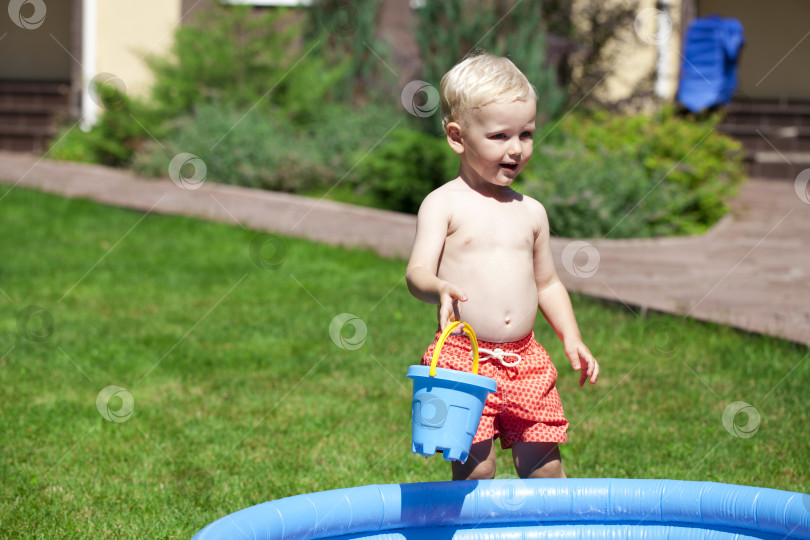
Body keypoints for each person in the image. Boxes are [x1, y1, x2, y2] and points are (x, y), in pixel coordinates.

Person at [405, 52, 600, 481]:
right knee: (476, 473)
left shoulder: (531, 212)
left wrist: (571, 337)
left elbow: (547, 283)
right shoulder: (444, 203)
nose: (516, 149)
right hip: (464, 357)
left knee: (546, 468)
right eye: (499, 136)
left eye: (526, 134)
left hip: (525, 358)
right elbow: (416, 272)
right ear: (458, 137)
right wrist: (437, 287)